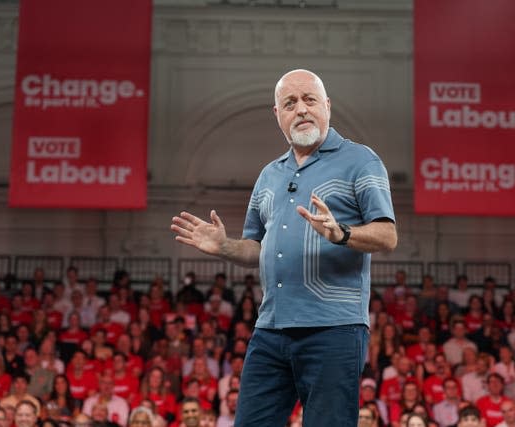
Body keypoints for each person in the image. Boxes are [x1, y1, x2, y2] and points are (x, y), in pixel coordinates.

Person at [170, 68, 397, 427]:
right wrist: (225, 247)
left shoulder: (361, 160)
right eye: (290, 103)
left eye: (309, 99)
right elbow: (254, 248)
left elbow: (387, 236)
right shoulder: (269, 175)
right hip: (271, 330)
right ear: (278, 115)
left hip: (334, 331)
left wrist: (342, 234)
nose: (301, 109)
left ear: (327, 105)